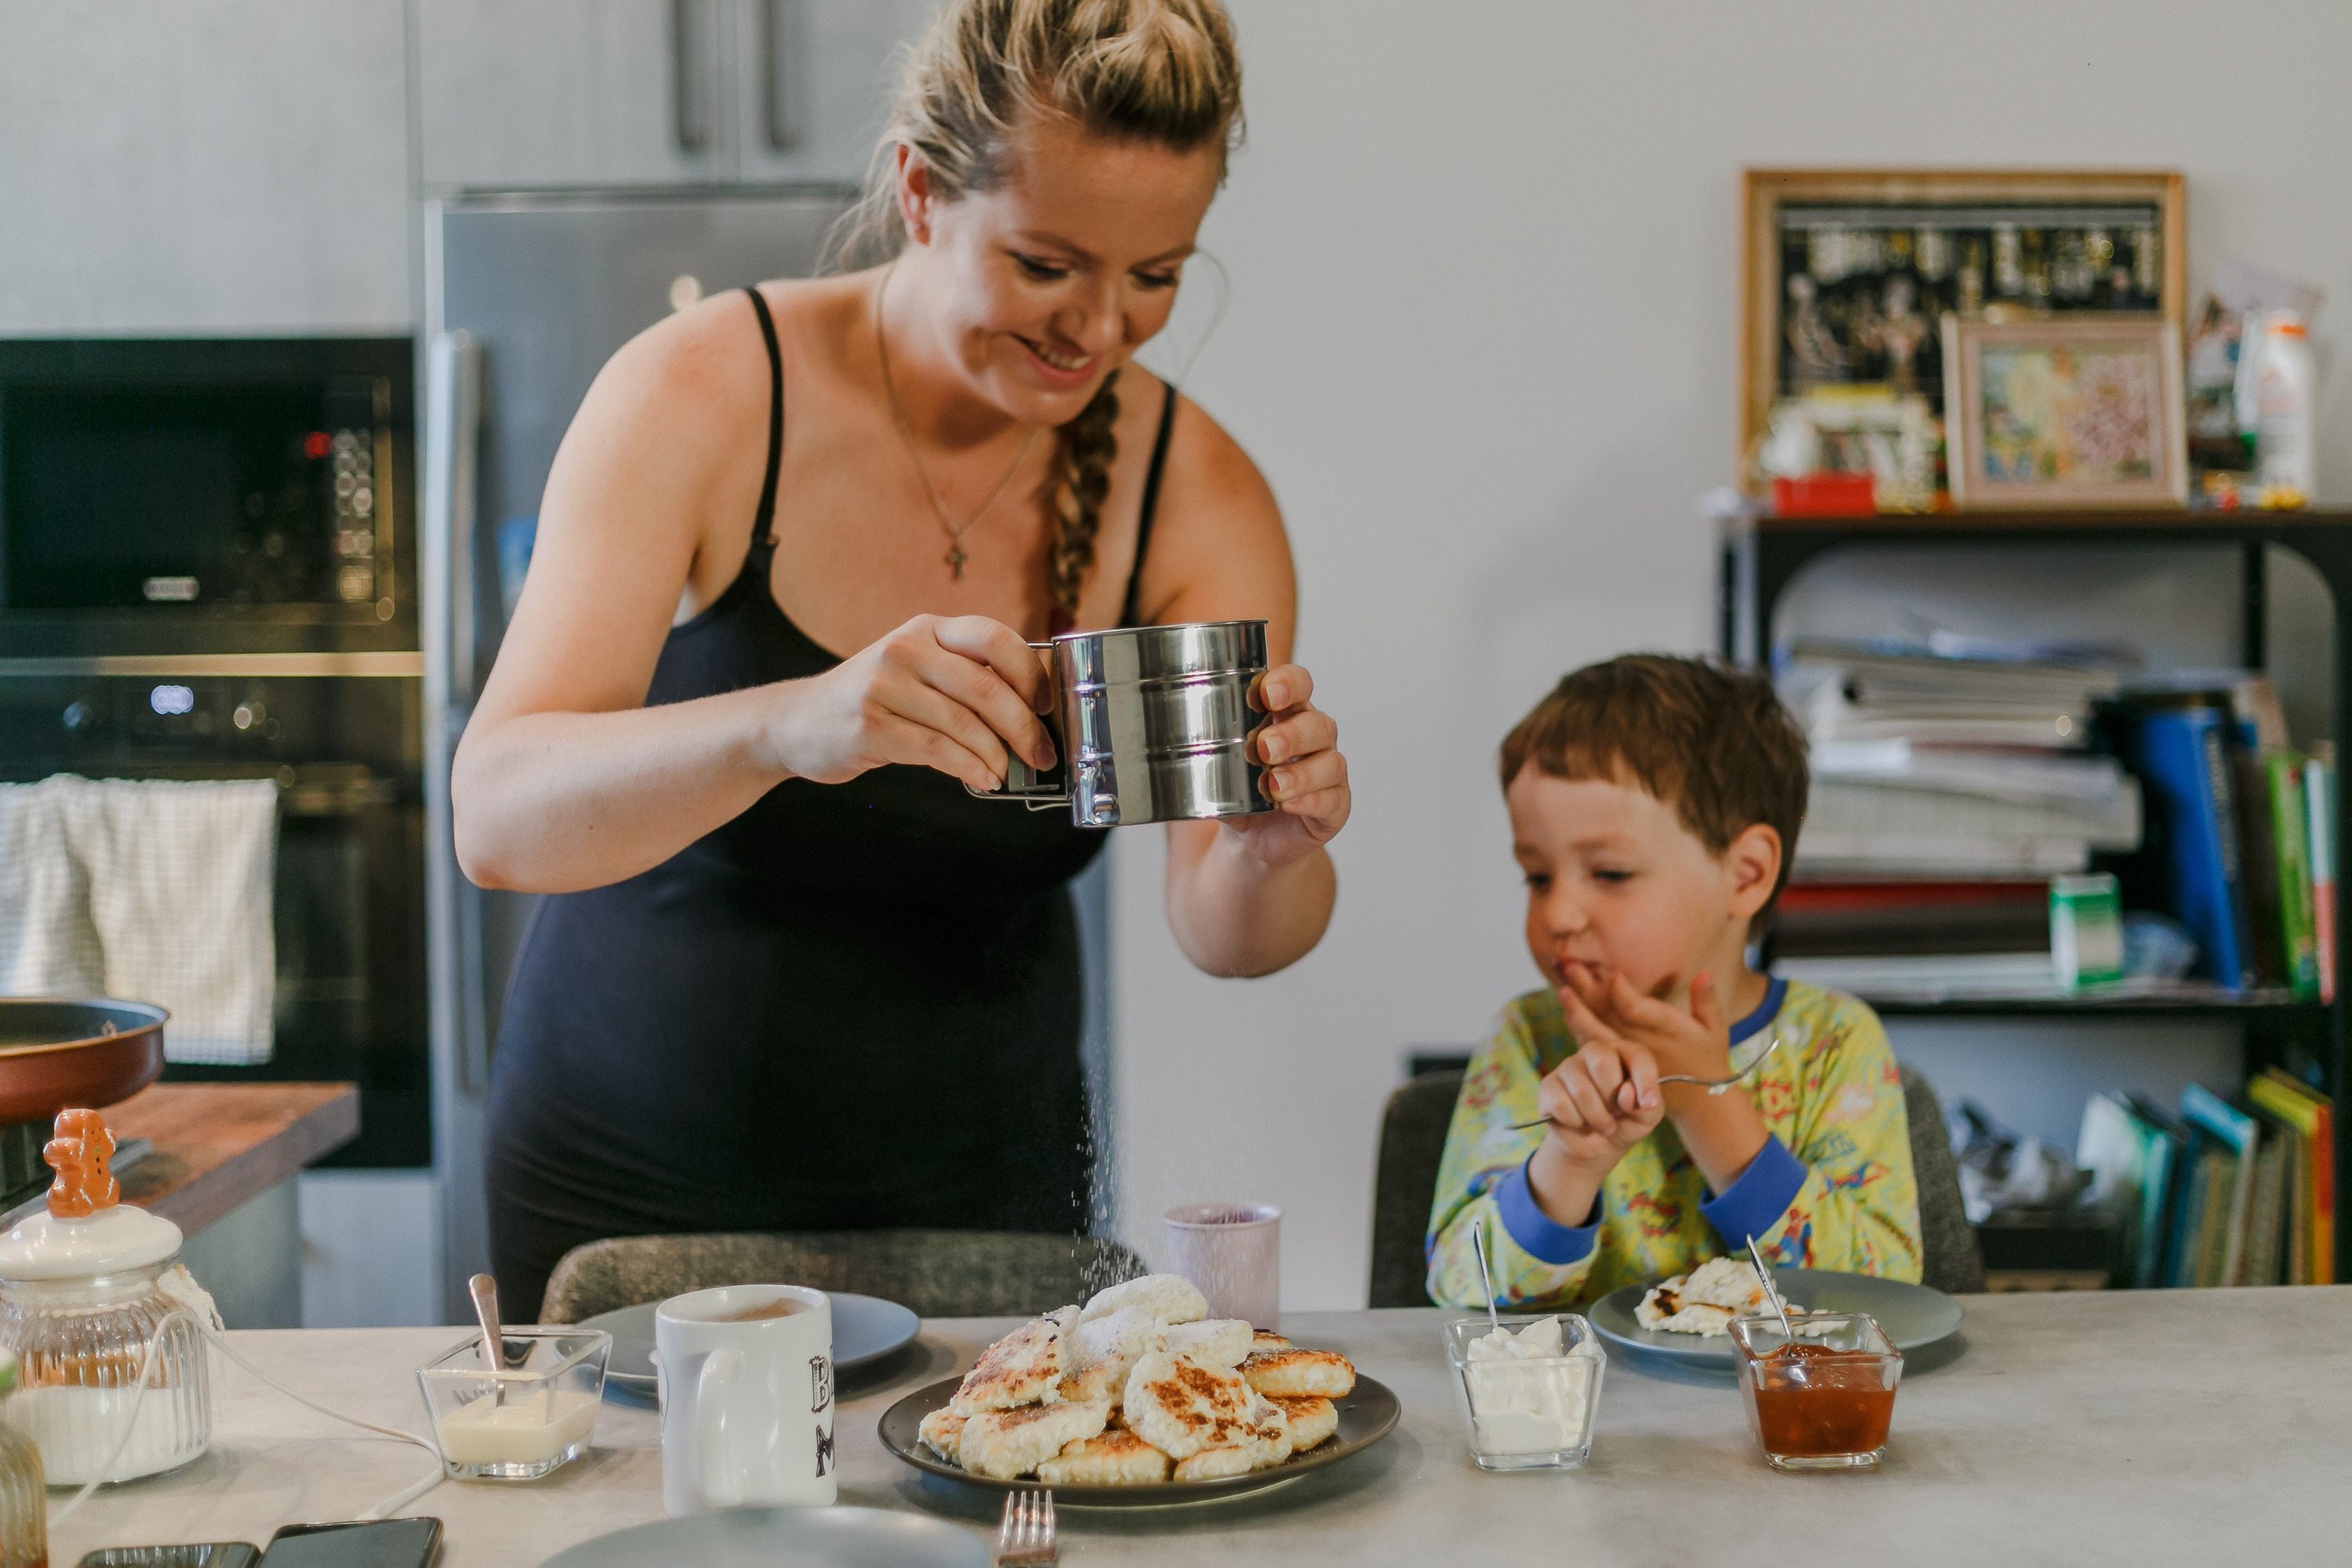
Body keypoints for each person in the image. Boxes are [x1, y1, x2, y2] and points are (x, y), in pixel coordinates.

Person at [450, 0, 1351, 1318]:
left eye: (1155, 274)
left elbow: (1227, 927)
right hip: (632, 1182)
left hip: (989, 1205)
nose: (1100, 328)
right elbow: (498, 811)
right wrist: (786, 722)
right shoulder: (704, 390)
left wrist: (1273, 847)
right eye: (1047, 263)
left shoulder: (1196, 496)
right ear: (922, 193)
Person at [1425, 656, 1918, 1309]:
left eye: (1609, 873)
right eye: (1538, 876)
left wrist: (1705, 1103)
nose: (1558, 914)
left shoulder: (1833, 1043)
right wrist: (1569, 1163)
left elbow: (1881, 1298)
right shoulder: (1526, 1041)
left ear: (1744, 874)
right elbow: (1461, 1290)